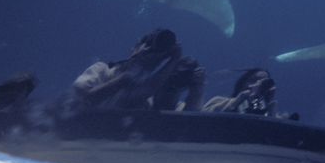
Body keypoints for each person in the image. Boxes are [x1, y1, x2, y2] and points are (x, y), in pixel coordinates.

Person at [70, 28, 205, 111]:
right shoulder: (101, 70)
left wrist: (174, 59)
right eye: (150, 48)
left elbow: (150, 89)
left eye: (158, 54)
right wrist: (122, 79)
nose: (152, 55)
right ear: (136, 46)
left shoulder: (141, 95)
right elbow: (81, 98)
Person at [202, 68, 278, 115]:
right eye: (254, 80)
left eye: (265, 82)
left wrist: (269, 103)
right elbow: (205, 119)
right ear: (242, 83)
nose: (258, 85)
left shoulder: (270, 112)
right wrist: (245, 97)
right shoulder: (218, 102)